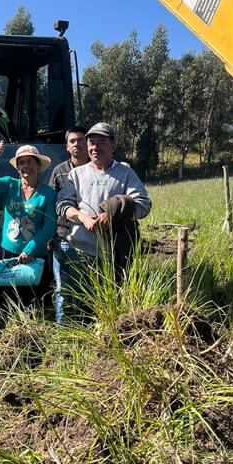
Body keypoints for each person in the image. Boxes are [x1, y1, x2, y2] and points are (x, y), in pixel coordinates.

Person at [56, 122, 152, 319]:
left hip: (113, 254)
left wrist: (113, 213)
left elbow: (143, 205)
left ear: (113, 146)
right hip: (80, 252)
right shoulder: (76, 174)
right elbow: (63, 204)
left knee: (111, 302)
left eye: (102, 142)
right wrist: (83, 218)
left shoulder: (125, 173)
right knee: (76, 301)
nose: (95, 147)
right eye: (91, 142)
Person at [0, 141, 58, 307]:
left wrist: (31, 248)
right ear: (17, 168)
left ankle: (32, 333)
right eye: (21, 162)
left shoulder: (48, 194)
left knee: (33, 302)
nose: (25, 166)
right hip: (8, 253)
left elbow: (50, 225)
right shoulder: (9, 185)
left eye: (29, 161)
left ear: (38, 165)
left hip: (35, 255)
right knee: (4, 302)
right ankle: (3, 332)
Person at [47, 126, 89, 324]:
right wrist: (51, 235)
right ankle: (63, 330)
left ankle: (85, 327)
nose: (77, 144)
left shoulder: (96, 170)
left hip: (92, 239)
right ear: (67, 146)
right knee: (62, 287)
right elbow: (50, 204)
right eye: (73, 141)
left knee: (87, 286)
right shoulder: (59, 172)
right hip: (64, 237)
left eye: (81, 140)